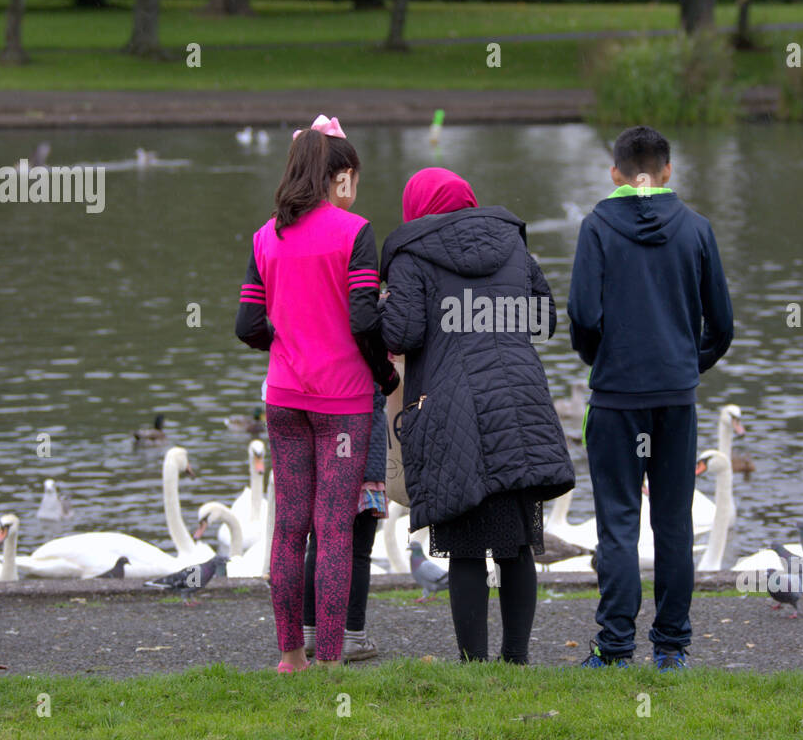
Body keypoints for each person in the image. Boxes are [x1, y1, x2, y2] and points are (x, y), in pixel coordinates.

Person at [380, 168, 574, 664]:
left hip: (451, 410)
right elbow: (541, 318)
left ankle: (473, 664)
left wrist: (377, 305)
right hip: (519, 403)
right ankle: (517, 660)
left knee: (464, 542)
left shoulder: (411, 252)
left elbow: (401, 335)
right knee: (515, 542)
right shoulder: (510, 241)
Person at [234, 115, 399, 672]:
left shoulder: (265, 236)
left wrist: (287, 338)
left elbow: (247, 326)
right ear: (336, 175)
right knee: (332, 532)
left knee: (288, 530)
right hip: (344, 404)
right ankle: (330, 660)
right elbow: (362, 318)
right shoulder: (354, 232)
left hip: (283, 397)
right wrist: (387, 375)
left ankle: (290, 657)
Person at [567, 125, 733, 671]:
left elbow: (584, 317)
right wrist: (687, 364)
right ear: (668, 171)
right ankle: (671, 647)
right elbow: (722, 326)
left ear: (616, 173)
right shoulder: (698, 230)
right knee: (674, 521)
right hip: (675, 397)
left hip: (616, 396)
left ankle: (614, 648)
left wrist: (605, 362)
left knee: (617, 521)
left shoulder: (596, 228)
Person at [300, 376, 389, 662]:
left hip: (325, 455)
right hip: (364, 455)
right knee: (360, 552)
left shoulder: (320, 341)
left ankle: (310, 630)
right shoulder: (367, 339)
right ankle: (353, 636)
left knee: (319, 542)